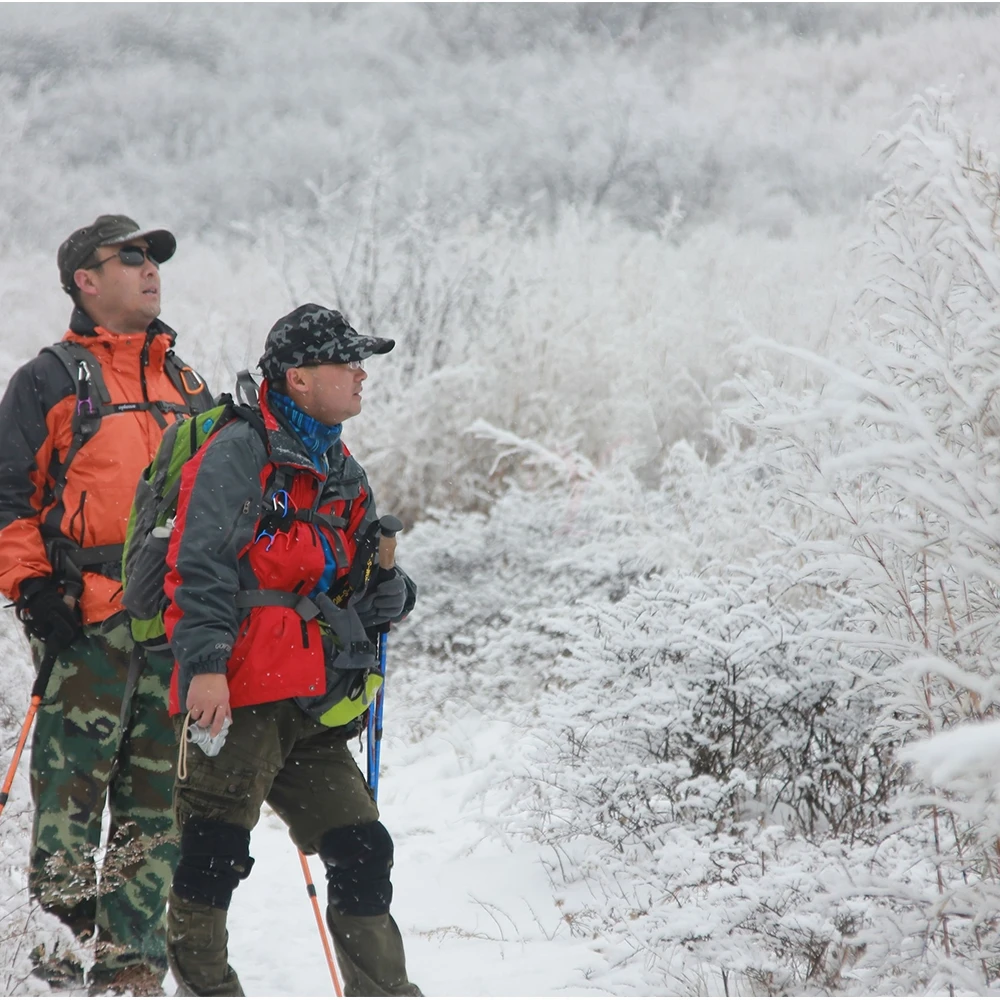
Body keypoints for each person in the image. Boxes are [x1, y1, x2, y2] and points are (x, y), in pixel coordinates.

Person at [162, 303, 421, 997]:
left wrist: (394, 594)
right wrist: (206, 670)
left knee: (364, 850)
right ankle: (208, 990)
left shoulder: (339, 465)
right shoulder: (237, 454)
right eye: (348, 363)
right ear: (300, 378)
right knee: (211, 860)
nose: (362, 376)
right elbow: (199, 567)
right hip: (235, 696)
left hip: (308, 701)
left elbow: (360, 569)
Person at [0, 215, 214, 996]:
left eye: (154, 255)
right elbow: (6, 497)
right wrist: (29, 587)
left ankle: (130, 975)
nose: (150, 267)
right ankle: (57, 964)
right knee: (70, 801)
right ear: (84, 281)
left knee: (156, 807)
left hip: (173, 627)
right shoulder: (49, 380)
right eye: (130, 257)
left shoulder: (186, 383)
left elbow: (218, 499)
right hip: (84, 622)